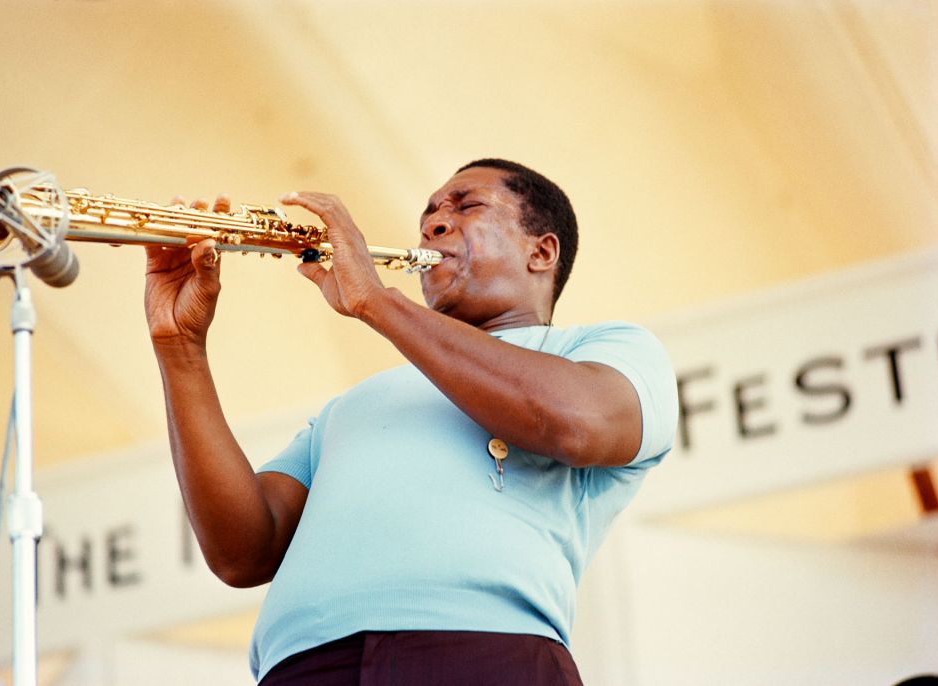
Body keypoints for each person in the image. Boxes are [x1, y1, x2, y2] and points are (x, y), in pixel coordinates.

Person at [144, 159, 679, 685]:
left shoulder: (603, 349)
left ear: (542, 252)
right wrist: (179, 346)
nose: (433, 223)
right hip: (301, 669)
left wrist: (376, 300)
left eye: (466, 206)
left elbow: (576, 422)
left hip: (483, 654)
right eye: (428, 216)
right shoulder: (351, 407)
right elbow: (242, 552)